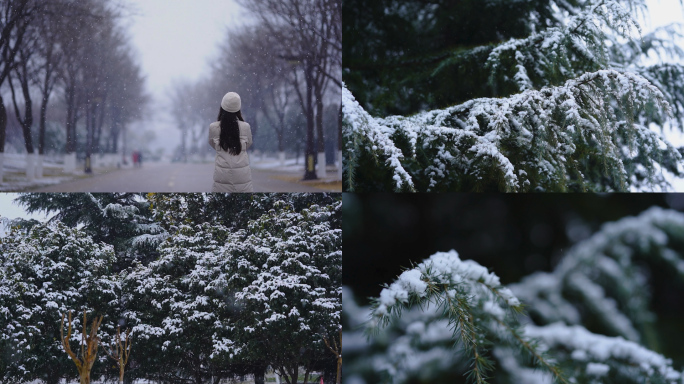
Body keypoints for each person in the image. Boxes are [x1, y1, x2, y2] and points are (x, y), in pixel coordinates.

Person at [208, 92, 253, 192]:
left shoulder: (213, 127)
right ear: (238, 109)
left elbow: (212, 143)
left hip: (222, 179)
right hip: (243, 179)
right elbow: (248, 143)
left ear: (222, 107)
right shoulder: (246, 127)